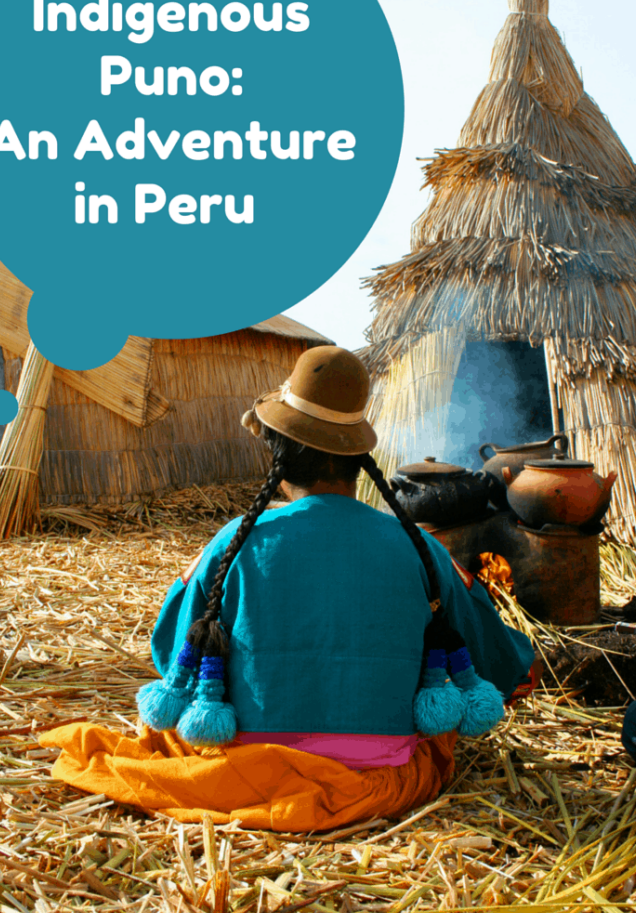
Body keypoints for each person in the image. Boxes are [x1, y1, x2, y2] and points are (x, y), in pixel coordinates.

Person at [41, 346, 538, 830]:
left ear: (279, 454)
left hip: (247, 763)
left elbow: (171, 655)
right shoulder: (421, 549)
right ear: (358, 458)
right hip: (381, 776)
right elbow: (496, 667)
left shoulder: (234, 543)